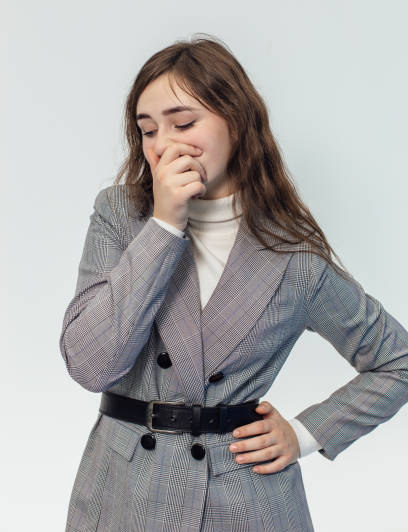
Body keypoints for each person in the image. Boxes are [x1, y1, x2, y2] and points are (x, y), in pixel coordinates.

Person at [60, 34, 408, 532]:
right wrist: (164, 226)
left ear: (238, 124)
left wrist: (307, 432)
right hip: (124, 493)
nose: (162, 145)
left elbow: (398, 361)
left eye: (182, 123)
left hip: (244, 500)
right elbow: (90, 364)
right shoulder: (120, 215)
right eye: (147, 130)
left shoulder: (293, 259)